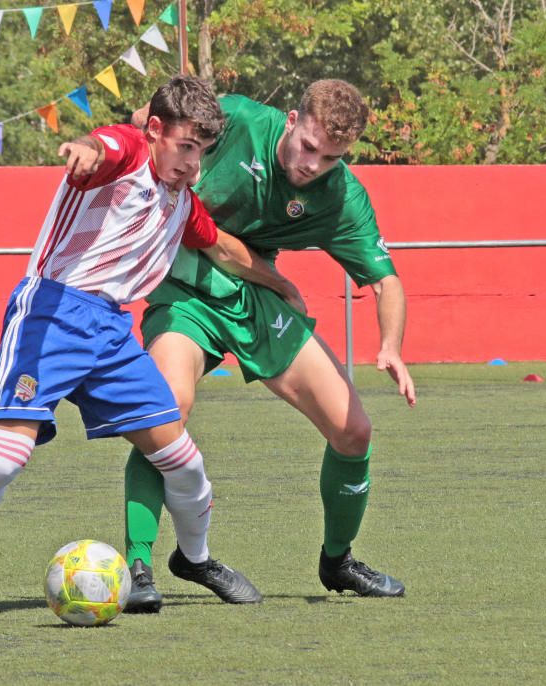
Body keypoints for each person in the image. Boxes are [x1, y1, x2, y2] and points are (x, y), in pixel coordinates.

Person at [0, 75, 303, 614]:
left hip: (112, 335)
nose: (192, 163)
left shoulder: (182, 202)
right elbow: (106, 144)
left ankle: (196, 559)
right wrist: (83, 149)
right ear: (159, 130)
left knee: (184, 462)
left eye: (203, 152)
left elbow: (226, 251)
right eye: (185, 147)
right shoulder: (128, 150)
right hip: (50, 314)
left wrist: (283, 284)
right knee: (4, 460)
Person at [122, 79, 417, 614]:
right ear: (290, 119)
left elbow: (387, 281)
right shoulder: (237, 118)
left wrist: (391, 346)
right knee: (165, 411)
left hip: (256, 293)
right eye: (308, 146)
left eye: (330, 157)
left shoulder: (342, 196)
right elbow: (148, 117)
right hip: (187, 287)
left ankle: (338, 560)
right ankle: (138, 566)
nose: (313, 165)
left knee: (354, 431)